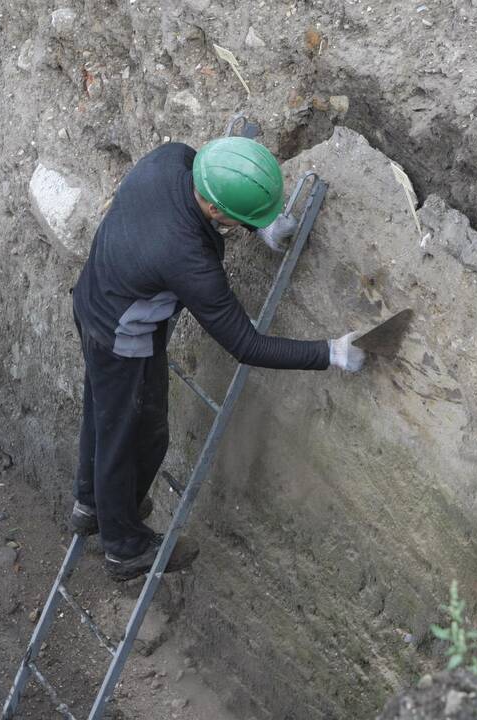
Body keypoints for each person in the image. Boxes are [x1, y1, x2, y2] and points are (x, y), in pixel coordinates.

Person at [68, 137, 365, 580]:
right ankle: (124, 548)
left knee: (104, 414)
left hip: (93, 295)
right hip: (122, 336)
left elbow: (215, 193)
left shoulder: (172, 160)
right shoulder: (187, 259)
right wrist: (331, 353)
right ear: (214, 212)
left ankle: (91, 505)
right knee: (135, 436)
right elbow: (247, 345)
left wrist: (258, 225)